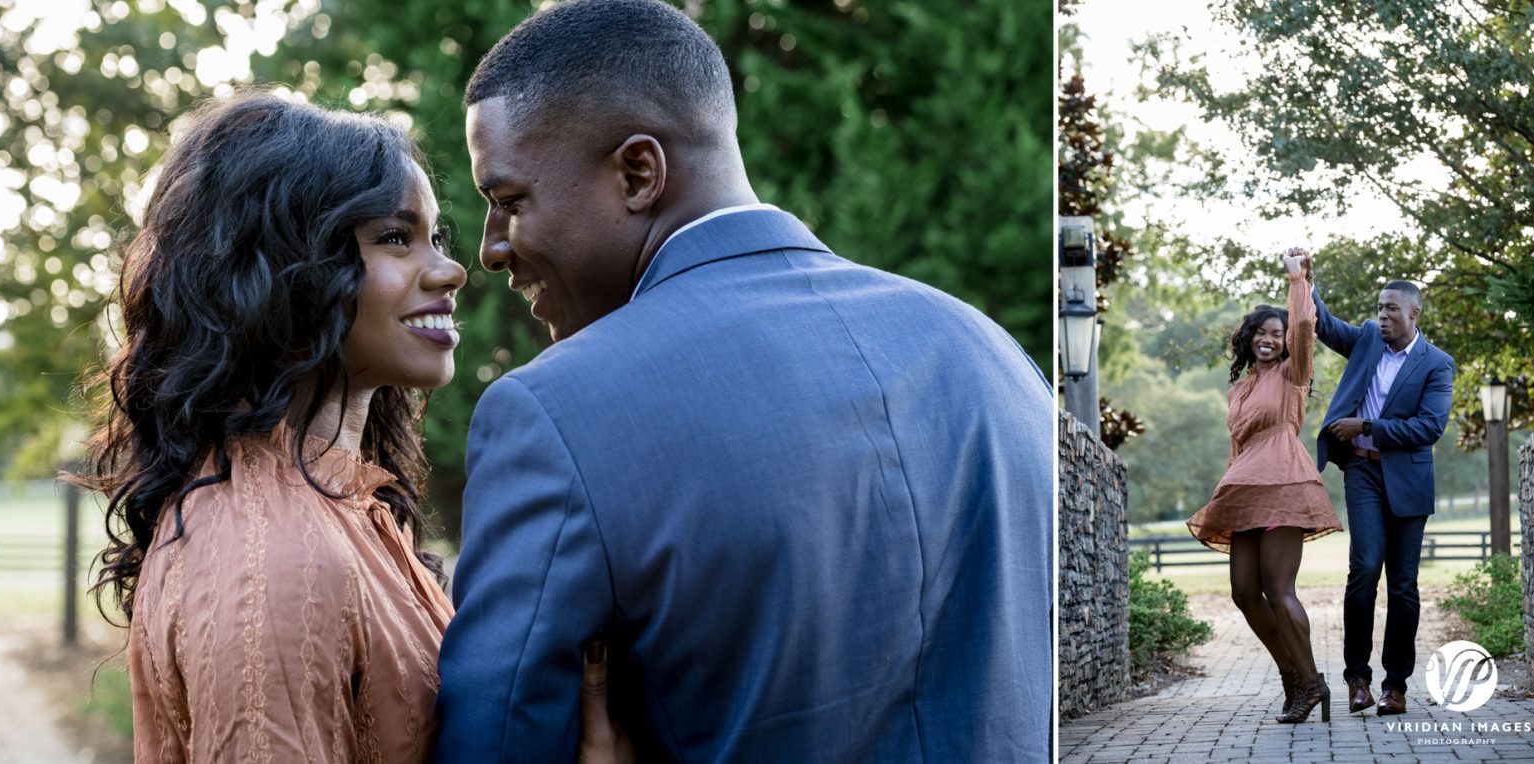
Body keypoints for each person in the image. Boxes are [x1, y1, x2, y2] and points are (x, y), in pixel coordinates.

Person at [433, 0, 1054, 761]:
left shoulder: (553, 411)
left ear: (638, 172)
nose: (492, 249)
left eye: (508, 201)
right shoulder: (991, 353)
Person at [76, 92, 469, 762]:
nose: (450, 270)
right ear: (288, 272)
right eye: (395, 238)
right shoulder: (276, 559)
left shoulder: (340, 506)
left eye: (435, 237)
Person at [1186, 249, 1343, 724]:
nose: (1270, 340)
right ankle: (1292, 677)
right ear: (1249, 340)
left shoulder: (1294, 376)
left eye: (1276, 334)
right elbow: (1238, 446)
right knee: (1243, 591)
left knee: (1279, 588)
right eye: (1261, 333)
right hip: (1243, 489)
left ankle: (1312, 682)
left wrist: (1298, 281)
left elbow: (1302, 329)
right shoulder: (1240, 389)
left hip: (1283, 485)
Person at [1311, 261, 1455, 717]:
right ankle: (1358, 678)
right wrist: (1305, 282)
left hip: (1409, 479)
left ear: (1414, 315)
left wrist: (1368, 424)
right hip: (1362, 472)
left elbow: (1429, 427)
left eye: (1392, 309)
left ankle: (1396, 685)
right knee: (1365, 567)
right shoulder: (1369, 339)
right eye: (1379, 308)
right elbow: (1326, 326)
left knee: (1404, 586)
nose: (1383, 316)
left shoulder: (1438, 364)